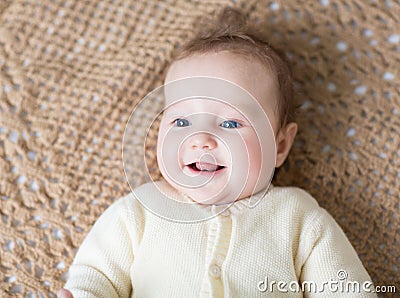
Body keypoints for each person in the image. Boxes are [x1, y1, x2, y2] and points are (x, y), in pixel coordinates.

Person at [59, 7, 376, 297]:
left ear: (280, 146)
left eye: (230, 123)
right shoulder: (141, 211)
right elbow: (96, 274)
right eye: (182, 121)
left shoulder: (296, 216)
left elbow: (344, 287)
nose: (200, 139)